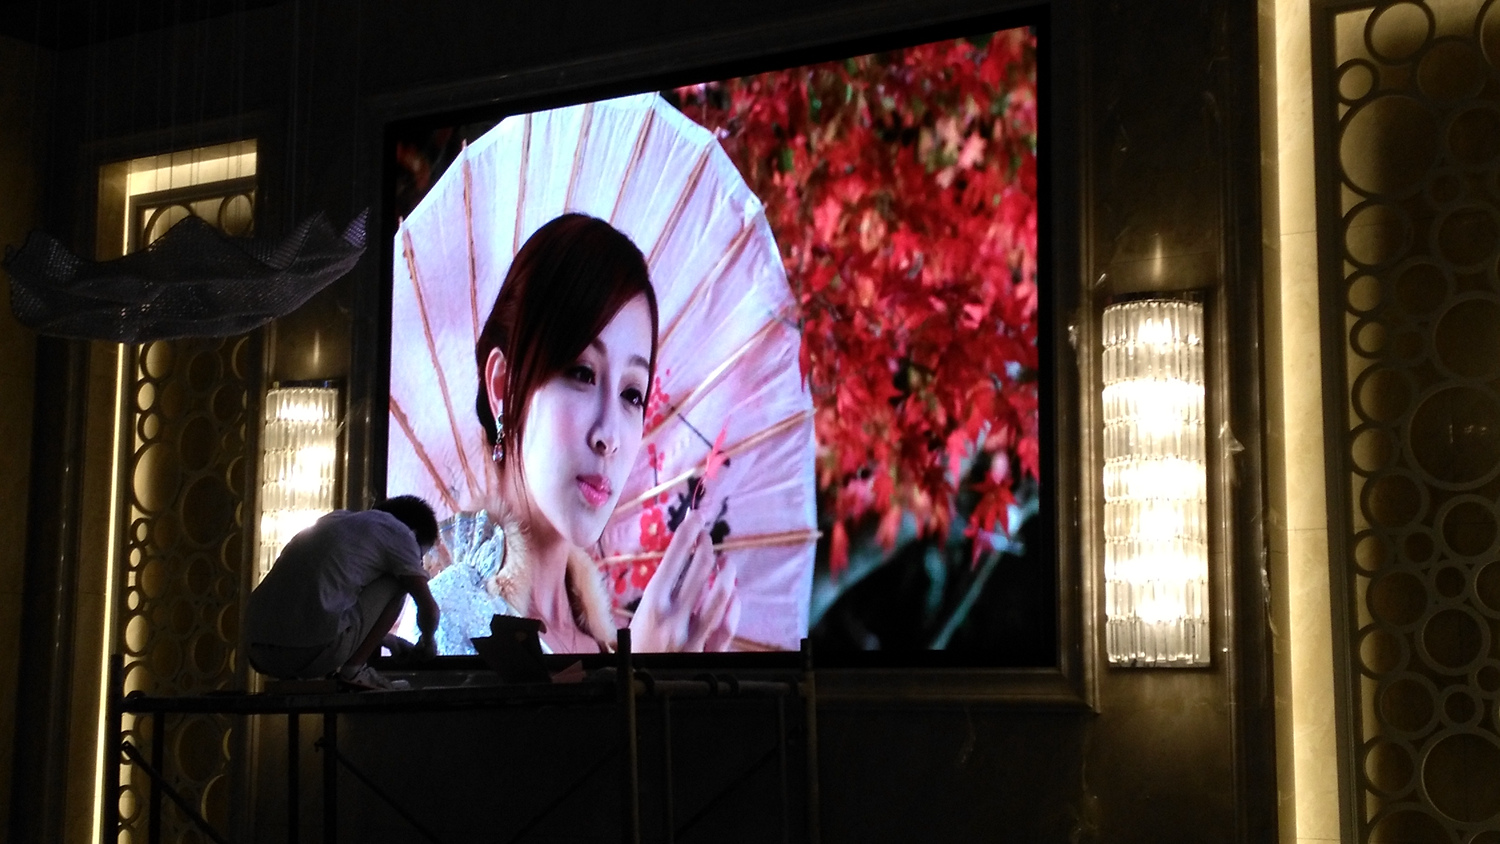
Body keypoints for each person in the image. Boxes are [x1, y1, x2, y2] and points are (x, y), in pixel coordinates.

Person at [425, 213, 738, 655]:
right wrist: (638, 680)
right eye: (582, 373)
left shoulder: (607, 645)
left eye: (632, 394)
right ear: (503, 387)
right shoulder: (447, 618)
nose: (609, 435)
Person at [245, 495, 441, 690]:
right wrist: (427, 642)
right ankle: (354, 672)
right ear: (414, 534)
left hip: (257, 653)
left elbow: (314, 607)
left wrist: (388, 640)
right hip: (308, 654)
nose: (418, 562)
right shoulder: (401, 534)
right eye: (419, 557)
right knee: (401, 580)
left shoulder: (334, 520)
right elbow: (429, 610)